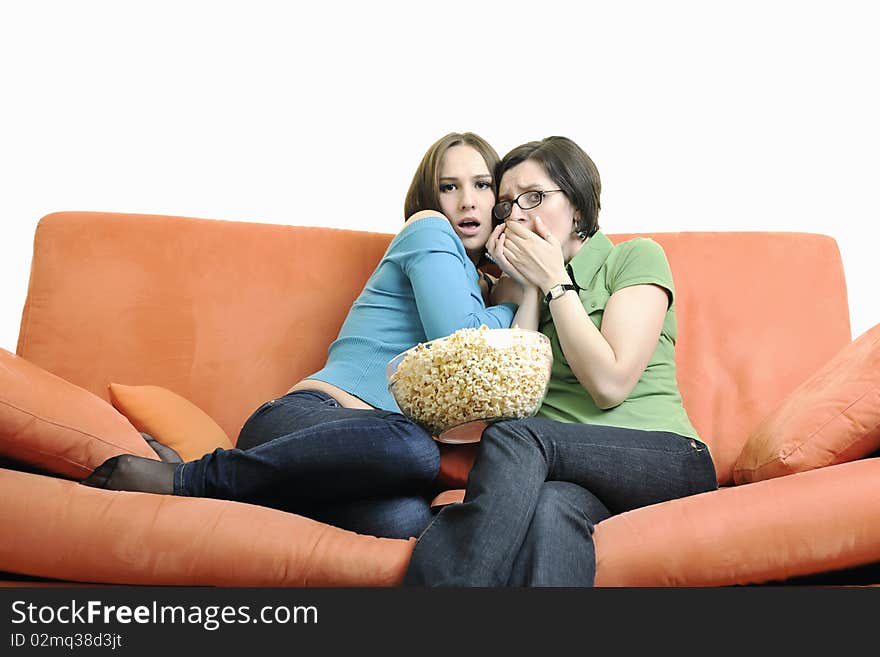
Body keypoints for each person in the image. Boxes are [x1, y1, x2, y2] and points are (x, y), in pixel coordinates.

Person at [81, 132, 531, 539]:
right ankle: (192, 478)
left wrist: (502, 288)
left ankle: (250, 494)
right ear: (429, 197)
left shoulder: (477, 288)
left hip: (352, 464)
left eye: (481, 184)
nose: (467, 201)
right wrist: (519, 296)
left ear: (499, 202)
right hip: (305, 421)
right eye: (449, 186)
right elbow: (461, 344)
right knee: (413, 450)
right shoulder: (427, 229)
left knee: (404, 523)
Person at [403, 136, 718, 586]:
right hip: (575, 478)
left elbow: (609, 385)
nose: (517, 215)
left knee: (520, 438)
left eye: (534, 197)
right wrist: (526, 286)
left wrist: (554, 279)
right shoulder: (515, 290)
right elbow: (508, 398)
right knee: (551, 509)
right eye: (507, 205)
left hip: (665, 459)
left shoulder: (632, 257)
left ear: (577, 208)